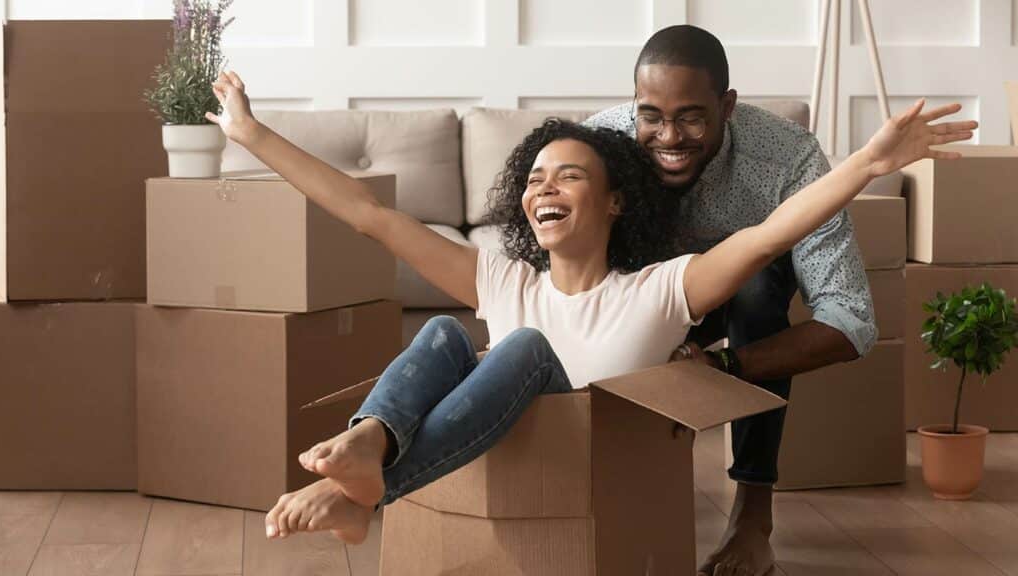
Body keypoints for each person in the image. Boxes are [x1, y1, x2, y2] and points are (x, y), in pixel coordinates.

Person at [205, 71, 974, 563]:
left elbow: (771, 233)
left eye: (569, 175)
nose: (545, 187)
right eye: (535, 177)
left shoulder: (658, 292)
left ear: (613, 202)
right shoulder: (502, 278)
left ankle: (364, 495)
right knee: (443, 332)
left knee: (526, 349)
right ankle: (370, 448)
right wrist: (251, 133)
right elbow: (368, 214)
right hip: (495, 456)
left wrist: (868, 165)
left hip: (584, 473)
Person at [584, 25, 888, 575]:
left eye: (692, 116)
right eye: (651, 114)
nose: (669, 137)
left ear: (727, 105)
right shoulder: (600, 145)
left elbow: (852, 321)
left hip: (745, 307)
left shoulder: (790, 158)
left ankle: (753, 517)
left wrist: (722, 367)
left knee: (753, 293)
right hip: (640, 295)